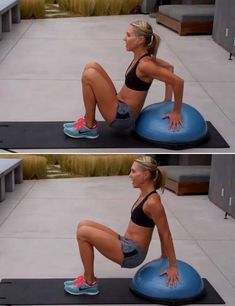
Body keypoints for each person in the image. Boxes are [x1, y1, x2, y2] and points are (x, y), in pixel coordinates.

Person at [64, 155, 179, 296]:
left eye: (133, 172)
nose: (129, 175)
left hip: (132, 254)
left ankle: (89, 283)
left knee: (83, 233)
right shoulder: (145, 194)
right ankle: (89, 277)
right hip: (126, 243)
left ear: (145, 175)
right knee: (83, 224)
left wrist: (172, 265)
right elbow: (161, 230)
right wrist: (163, 255)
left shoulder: (153, 202)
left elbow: (165, 232)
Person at [63, 20, 184, 139]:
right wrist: (167, 100)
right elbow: (169, 67)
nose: (124, 38)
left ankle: (89, 126)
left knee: (89, 75)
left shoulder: (145, 65)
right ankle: (87, 120)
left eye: (128, 35)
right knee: (92, 66)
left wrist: (176, 111)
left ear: (140, 40)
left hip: (122, 118)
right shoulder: (143, 57)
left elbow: (178, 82)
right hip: (118, 106)